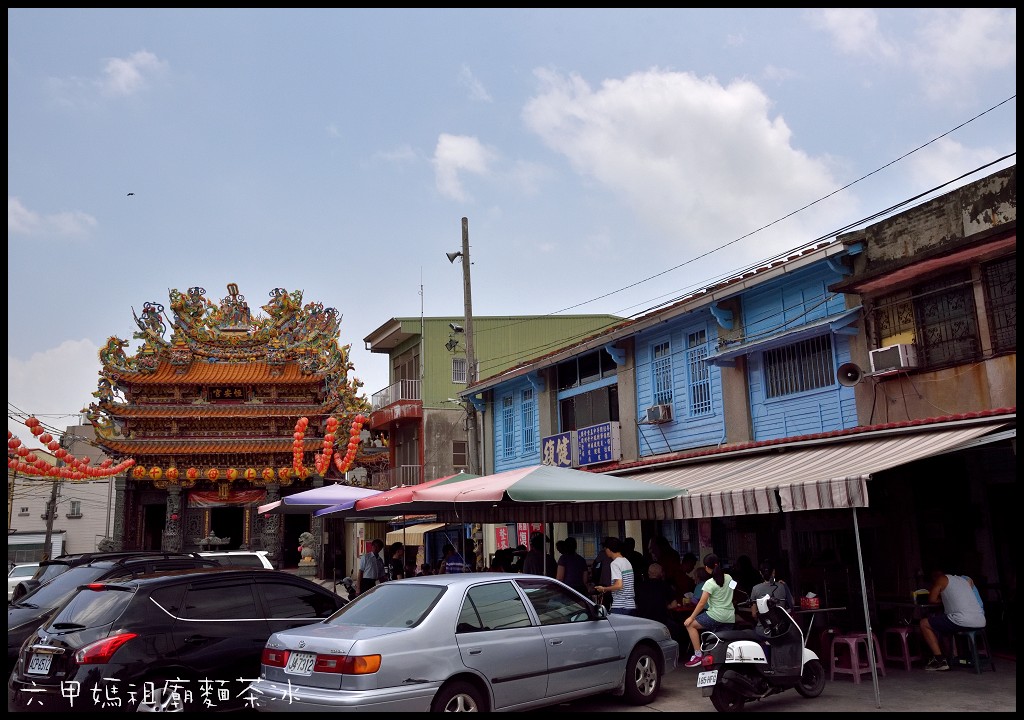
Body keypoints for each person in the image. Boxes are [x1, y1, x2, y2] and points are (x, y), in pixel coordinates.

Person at [920, 568, 986, 671]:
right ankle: (951, 656)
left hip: (963, 620)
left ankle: (940, 660)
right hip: (981, 620)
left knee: (924, 623)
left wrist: (942, 600)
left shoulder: (941, 579)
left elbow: (932, 599)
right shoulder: (963, 580)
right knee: (944, 623)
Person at [683, 553, 736, 667]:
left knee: (690, 625)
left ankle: (698, 655)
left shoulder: (709, 583)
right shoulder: (729, 578)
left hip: (715, 616)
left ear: (707, 568)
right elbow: (733, 589)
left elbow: (702, 603)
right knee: (719, 643)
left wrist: (691, 618)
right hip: (729, 617)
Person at [635, 562, 684, 644]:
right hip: (661, 621)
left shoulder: (639, 586)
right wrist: (665, 606)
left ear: (648, 573)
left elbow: (636, 605)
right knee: (678, 629)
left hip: (643, 621)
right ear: (660, 573)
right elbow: (674, 604)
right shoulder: (665, 585)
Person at [594, 536, 637, 616]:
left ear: (609, 549)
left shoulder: (615, 563)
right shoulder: (626, 561)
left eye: (605, 548)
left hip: (620, 605)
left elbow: (619, 585)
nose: (605, 550)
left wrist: (604, 589)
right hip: (631, 604)